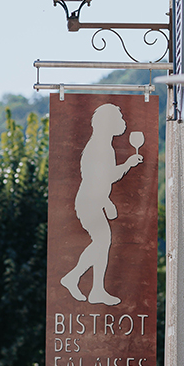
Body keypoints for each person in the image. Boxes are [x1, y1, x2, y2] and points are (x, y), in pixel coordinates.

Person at [60, 103, 143, 305]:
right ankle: (75, 278)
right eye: (120, 119)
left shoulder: (102, 145)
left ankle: (94, 288)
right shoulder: (100, 147)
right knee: (102, 243)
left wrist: (106, 203)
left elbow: (98, 180)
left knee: (103, 243)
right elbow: (106, 177)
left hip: (93, 202)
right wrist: (128, 165)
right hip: (89, 203)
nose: (123, 122)